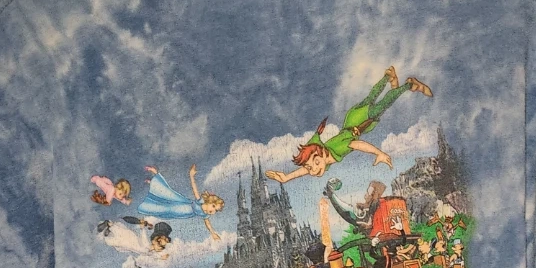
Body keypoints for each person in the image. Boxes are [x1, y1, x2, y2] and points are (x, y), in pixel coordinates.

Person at [266, 66, 432, 184]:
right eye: (311, 167)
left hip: (359, 122)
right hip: (351, 118)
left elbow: (358, 144)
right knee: (371, 97)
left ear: (321, 154)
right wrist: (287, 178)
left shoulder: (337, 149)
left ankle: (410, 84)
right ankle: (389, 76)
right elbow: (305, 168)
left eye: (315, 163)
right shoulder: (320, 157)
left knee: (383, 104)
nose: (313, 170)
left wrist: (379, 153)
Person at [138, 165, 225, 241]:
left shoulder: (205, 214)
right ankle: (155, 177)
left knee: (164, 212)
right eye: (213, 206)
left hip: (180, 214)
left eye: (216, 210)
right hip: (180, 205)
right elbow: (194, 189)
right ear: (209, 201)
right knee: (167, 198)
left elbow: (208, 224)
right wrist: (191, 176)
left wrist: (213, 233)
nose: (213, 211)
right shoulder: (200, 201)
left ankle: (154, 186)